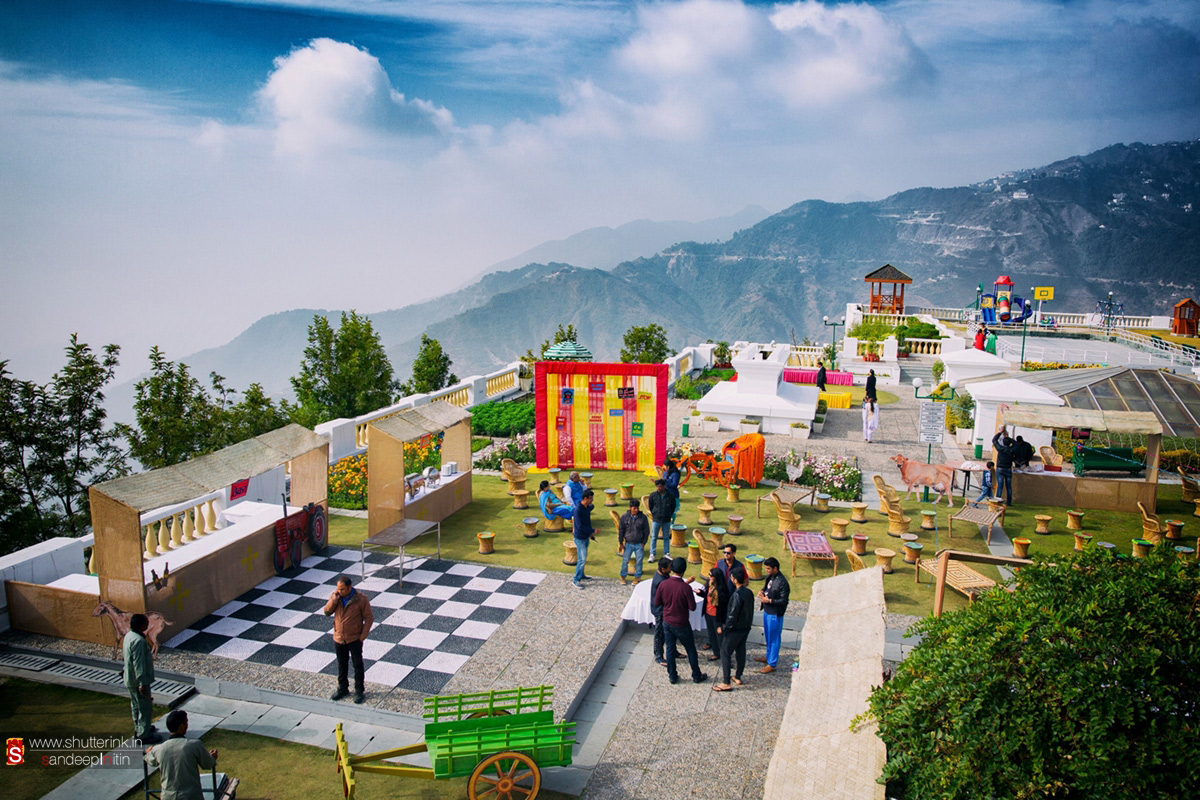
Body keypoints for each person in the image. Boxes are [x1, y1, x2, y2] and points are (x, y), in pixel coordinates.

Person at [653, 557, 708, 684]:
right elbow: (692, 607)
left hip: (667, 621)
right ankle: (696, 675)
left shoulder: (663, 584)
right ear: (683, 571)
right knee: (690, 649)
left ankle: (672, 676)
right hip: (681, 623)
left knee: (670, 649)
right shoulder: (685, 588)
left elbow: (657, 602)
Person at [144, 710, 217, 800]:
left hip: (168, 797)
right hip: (191, 796)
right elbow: (208, 764)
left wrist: (148, 753)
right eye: (186, 722)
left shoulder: (158, 749)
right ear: (181, 726)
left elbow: (150, 760)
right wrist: (213, 757)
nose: (187, 726)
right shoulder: (194, 745)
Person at [324, 574, 374, 704]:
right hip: (339, 638)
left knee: (357, 665)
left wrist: (363, 636)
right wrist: (334, 599)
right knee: (342, 664)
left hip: (354, 638)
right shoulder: (336, 597)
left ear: (349, 587)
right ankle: (343, 688)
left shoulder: (361, 599)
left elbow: (369, 618)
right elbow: (327, 612)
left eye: (342, 589)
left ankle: (359, 690)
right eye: (338, 589)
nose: (339, 591)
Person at [713, 566, 754, 691]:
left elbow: (732, 615)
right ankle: (738, 676)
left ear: (734, 579)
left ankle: (726, 682)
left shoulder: (736, 595)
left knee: (725, 652)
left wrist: (724, 628)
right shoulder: (749, 592)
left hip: (735, 629)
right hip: (745, 627)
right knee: (741, 651)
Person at [123, 613, 160, 744]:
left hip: (130, 678)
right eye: (146, 623)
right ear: (140, 625)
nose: (148, 625)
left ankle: (140, 728)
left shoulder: (129, 635)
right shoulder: (138, 641)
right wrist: (142, 683)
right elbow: (138, 664)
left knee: (136, 705)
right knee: (144, 707)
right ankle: (144, 735)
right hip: (138, 681)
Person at [756, 557, 790, 673]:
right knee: (768, 636)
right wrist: (762, 591)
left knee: (774, 638)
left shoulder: (782, 583)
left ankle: (772, 663)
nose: (767, 571)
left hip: (775, 613)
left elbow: (783, 601)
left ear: (775, 568)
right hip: (767, 611)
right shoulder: (770, 577)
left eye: (768, 569)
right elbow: (766, 588)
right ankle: (769, 656)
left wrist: (769, 600)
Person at [649, 557, 678, 666]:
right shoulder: (660, 581)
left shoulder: (663, 576)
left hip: (663, 609)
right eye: (669, 568)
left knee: (670, 632)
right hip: (660, 611)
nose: (671, 569)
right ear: (663, 569)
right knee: (659, 634)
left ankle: (673, 651)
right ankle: (658, 656)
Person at [697, 565, 729, 662]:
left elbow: (723, 603)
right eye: (709, 575)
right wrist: (700, 593)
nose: (709, 577)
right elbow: (706, 596)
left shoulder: (721, 589)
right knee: (711, 634)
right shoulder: (709, 586)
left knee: (720, 637)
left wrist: (713, 592)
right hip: (708, 613)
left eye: (711, 576)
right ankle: (716, 653)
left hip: (717, 616)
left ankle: (725, 656)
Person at [619, 498, 650, 585]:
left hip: (639, 544)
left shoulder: (643, 517)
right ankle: (622, 577)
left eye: (637, 508)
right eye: (634, 508)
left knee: (639, 562)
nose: (636, 510)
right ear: (630, 507)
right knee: (625, 561)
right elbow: (621, 530)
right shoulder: (624, 517)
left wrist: (644, 542)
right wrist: (621, 542)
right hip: (628, 543)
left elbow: (646, 531)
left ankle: (637, 577)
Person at [571, 489, 596, 589]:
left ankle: (582, 575)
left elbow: (587, 522)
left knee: (583, 558)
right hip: (580, 538)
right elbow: (580, 526)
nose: (592, 500)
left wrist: (590, 533)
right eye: (590, 498)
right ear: (585, 498)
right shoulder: (578, 510)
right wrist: (593, 530)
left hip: (585, 536)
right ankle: (576, 579)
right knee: (582, 559)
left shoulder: (587, 508)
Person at [647, 479, 674, 560]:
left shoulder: (670, 496)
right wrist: (655, 513)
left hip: (666, 520)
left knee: (666, 537)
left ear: (664, 486)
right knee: (654, 537)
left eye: (660, 486)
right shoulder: (653, 496)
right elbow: (651, 506)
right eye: (657, 486)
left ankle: (667, 553)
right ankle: (652, 554)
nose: (658, 488)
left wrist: (668, 514)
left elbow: (673, 506)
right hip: (656, 519)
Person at [992, 427, 1016, 504]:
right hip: (1008, 469)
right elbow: (1016, 445)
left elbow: (994, 440)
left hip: (1000, 468)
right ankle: (1009, 501)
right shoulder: (1012, 449)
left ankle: (998, 499)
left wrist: (1000, 432)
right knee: (1009, 486)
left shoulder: (1000, 448)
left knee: (1000, 485)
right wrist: (1009, 438)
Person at [663, 459, 682, 525]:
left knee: (672, 511)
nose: (664, 467)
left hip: (673, 495)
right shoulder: (665, 473)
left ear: (668, 466)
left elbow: (674, 485)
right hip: (665, 494)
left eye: (665, 466)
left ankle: (672, 524)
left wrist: (666, 481)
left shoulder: (675, 474)